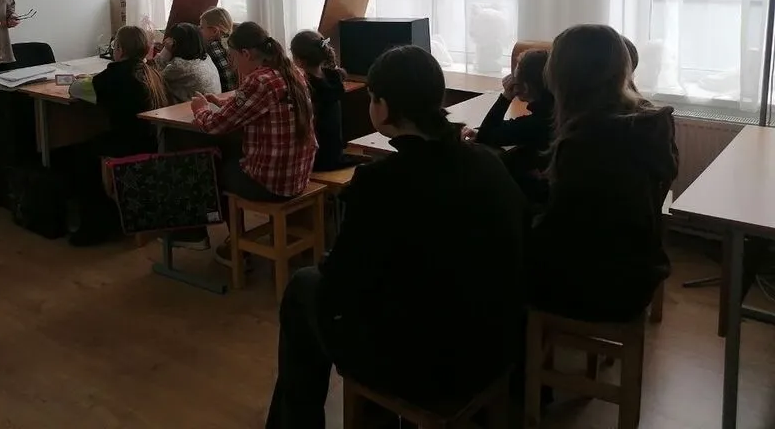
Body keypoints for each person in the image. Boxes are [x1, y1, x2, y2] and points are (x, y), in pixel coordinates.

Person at [266, 46, 526, 428]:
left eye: (372, 97)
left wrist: (329, 265)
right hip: (497, 346)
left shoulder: (381, 182)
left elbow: (343, 282)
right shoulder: (489, 162)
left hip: (429, 366)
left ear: (383, 107)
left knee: (304, 288)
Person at [528, 24, 677, 322]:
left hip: (598, 287)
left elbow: (558, 230)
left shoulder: (584, 140)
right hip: (639, 271)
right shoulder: (650, 123)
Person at [191, 22, 317, 265]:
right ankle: (237, 243)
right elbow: (258, 107)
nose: (233, 63)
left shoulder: (259, 81)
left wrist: (201, 109)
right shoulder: (291, 72)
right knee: (231, 152)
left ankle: (236, 247)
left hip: (272, 182)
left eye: (233, 57)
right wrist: (221, 103)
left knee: (211, 168)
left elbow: (214, 126)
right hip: (299, 174)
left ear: (246, 53)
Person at [70, 25, 167, 247]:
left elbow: (75, 89)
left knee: (80, 155)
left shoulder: (113, 76)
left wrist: (85, 79)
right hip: (152, 140)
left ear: (120, 50)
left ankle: (95, 225)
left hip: (126, 144)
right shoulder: (151, 71)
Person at [474, 48, 554, 205]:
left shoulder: (535, 124)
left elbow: (485, 136)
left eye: (514, 79)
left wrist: (506, 96)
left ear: (525, 87)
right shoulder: (555, 111)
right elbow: (498, 130)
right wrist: (480, 130)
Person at [289, 30, 362, 172]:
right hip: (335, 154)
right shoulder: (334, 77)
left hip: (316, 160)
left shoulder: (305, 86)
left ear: (299, 61)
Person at [155, 23, 222, 103]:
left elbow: (154, 77)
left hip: (191, 109)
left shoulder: (179, 66)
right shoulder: (206, 57)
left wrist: (166, 49)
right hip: (213, 105)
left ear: (175, 43)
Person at [199, 7, 238, 92]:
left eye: (202, 27)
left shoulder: (211, 48)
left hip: (221, 93)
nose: (199, 30)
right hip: (233, 92)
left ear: (214, 31)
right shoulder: (232, 44)